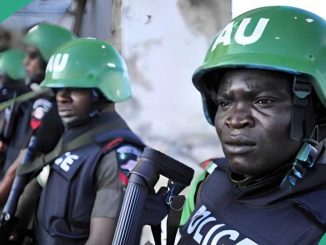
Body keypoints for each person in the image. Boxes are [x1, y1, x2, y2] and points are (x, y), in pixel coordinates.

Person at [178, 6, 326, 245]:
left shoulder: (319, 225)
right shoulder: (208, 179)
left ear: (318, 112)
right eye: (224, 102)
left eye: (263, 101)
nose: (235, 120)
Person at [14, 38, 144, 245]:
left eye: (75, 87)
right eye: (58, 89)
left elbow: (102, 240)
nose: (61, 97)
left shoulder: (118, 154)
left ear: (103, 92)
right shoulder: (75, 138)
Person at [0, 22, 76, 189]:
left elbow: (21, 165)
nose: (25, 63)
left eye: (32, 56)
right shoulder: (31, 101)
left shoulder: (47, 107)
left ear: (51, 61)